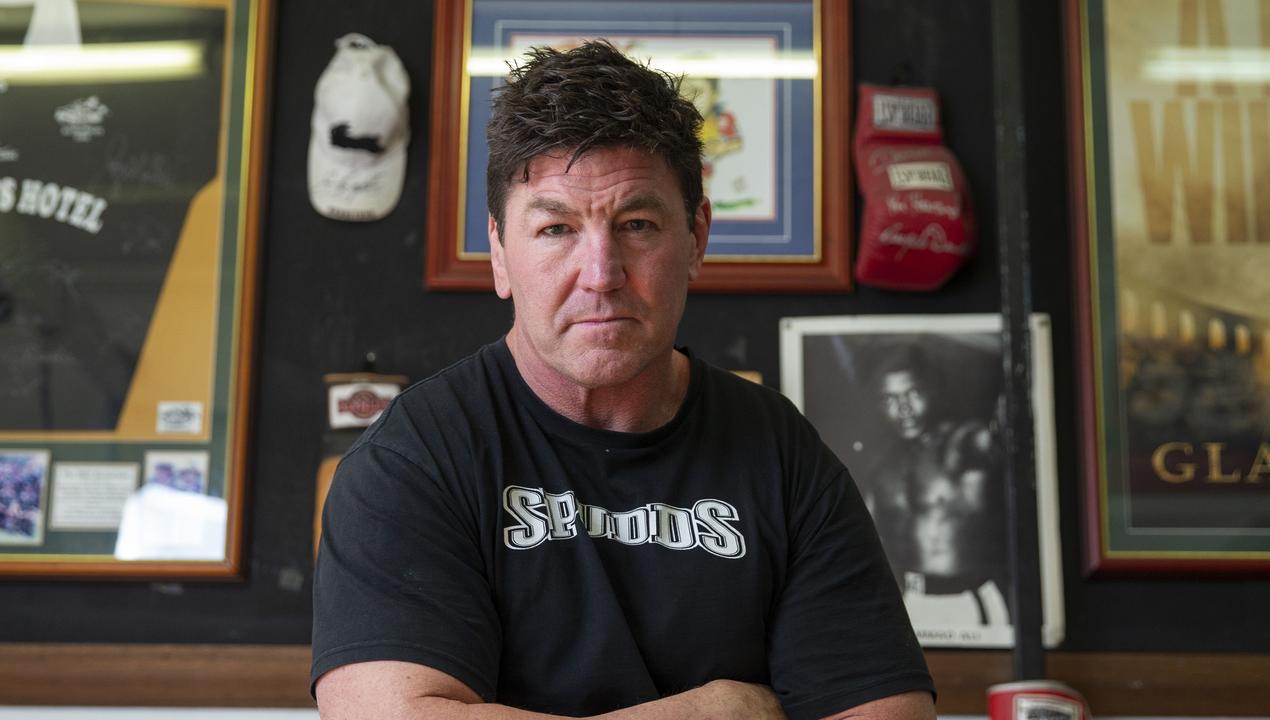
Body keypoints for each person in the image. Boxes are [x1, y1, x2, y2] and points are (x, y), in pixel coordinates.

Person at [311, 41, 934, 719]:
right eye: (555, 229)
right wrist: (715, 711)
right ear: (499, 252)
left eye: (636, 224)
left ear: (697, 236)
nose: (600, 272)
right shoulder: (418, 456)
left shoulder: (779, 450)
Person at [864, 347, 1009, 629]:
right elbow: (867, 540)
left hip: (967, 601)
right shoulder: (881, 465)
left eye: (912, 394)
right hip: (907, 602)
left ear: (931, 392)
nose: (903, 408)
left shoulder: (963, 441)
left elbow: (996, 439)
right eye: (890, 399)